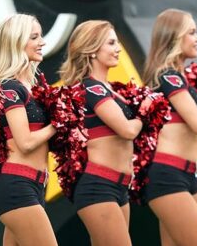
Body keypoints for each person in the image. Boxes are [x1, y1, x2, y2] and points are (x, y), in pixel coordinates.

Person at [59, 20, 143, 246]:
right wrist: (142, 116)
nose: (118, 49)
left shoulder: (111, 90)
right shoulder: (92, 88)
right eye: (112, 43)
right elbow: (126, 130)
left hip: (120, 187)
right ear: (93, 49)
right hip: (99, 186)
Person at [141, 9, 197, 246]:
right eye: (191, 32)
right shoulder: (168, 76)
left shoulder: (181, 77)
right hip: (168, 175)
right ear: (174, 37)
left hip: (190, 174)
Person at [0, 14, 57, 246]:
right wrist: (58, 125)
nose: (42, 42)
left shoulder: (31, 88)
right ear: (17, 42)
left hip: (35, 186)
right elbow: (25, 142)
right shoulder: (10, 87)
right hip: (18, 186)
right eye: (34, 37)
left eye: (41, 36)